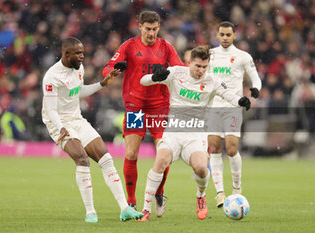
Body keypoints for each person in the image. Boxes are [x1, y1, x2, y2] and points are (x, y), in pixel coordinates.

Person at [137, 45, 251, 221]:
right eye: (197, 66)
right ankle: (145, 210)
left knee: (201, 169)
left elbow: (229, 95)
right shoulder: (175, 73)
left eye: (204, 67)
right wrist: (154, 77)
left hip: (195, 135)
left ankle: (200, 196)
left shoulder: (212, 81)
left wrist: (241, 101)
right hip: (173, 133)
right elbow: (143, 81)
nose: (201, 70)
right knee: (159, 162)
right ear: (189, 62)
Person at [41, 37, 143, 223]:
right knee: (82, 158)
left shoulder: (77, 68)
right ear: (66, 54)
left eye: (82, 52)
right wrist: (61, 127)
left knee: (105, 157)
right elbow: (51, 110)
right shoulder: (52, 77)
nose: (82, 56)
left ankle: (124, 209)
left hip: (77, 119)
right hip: (58, 123)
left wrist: (102, 83)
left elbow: (78, 91)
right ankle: (90, 212)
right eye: (78, 53)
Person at [102, 10, 184, 215]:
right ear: (140, 27)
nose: (151, 33)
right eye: (148, 29)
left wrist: (169, 73)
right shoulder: (129, 46)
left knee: (163, 155)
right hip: (135, 106)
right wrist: (115, 69)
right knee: (131, 153)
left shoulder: (166, 47)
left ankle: (159, 192)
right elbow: (107, 68)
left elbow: (180, 70)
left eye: (155, 29)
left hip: (159, 106)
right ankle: (131, 202)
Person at [207, 21, 262, 208]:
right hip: (213, 107)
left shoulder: (242, 57)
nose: (224, 38)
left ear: (234, 36)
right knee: (214, 148)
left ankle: (237, 188)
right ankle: (220, 194)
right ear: (217, 35)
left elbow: (255, 78)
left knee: (231, 149)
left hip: (233, 107)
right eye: (221, 34)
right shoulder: (210, 55)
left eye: (228, 35)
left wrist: (256, 90)